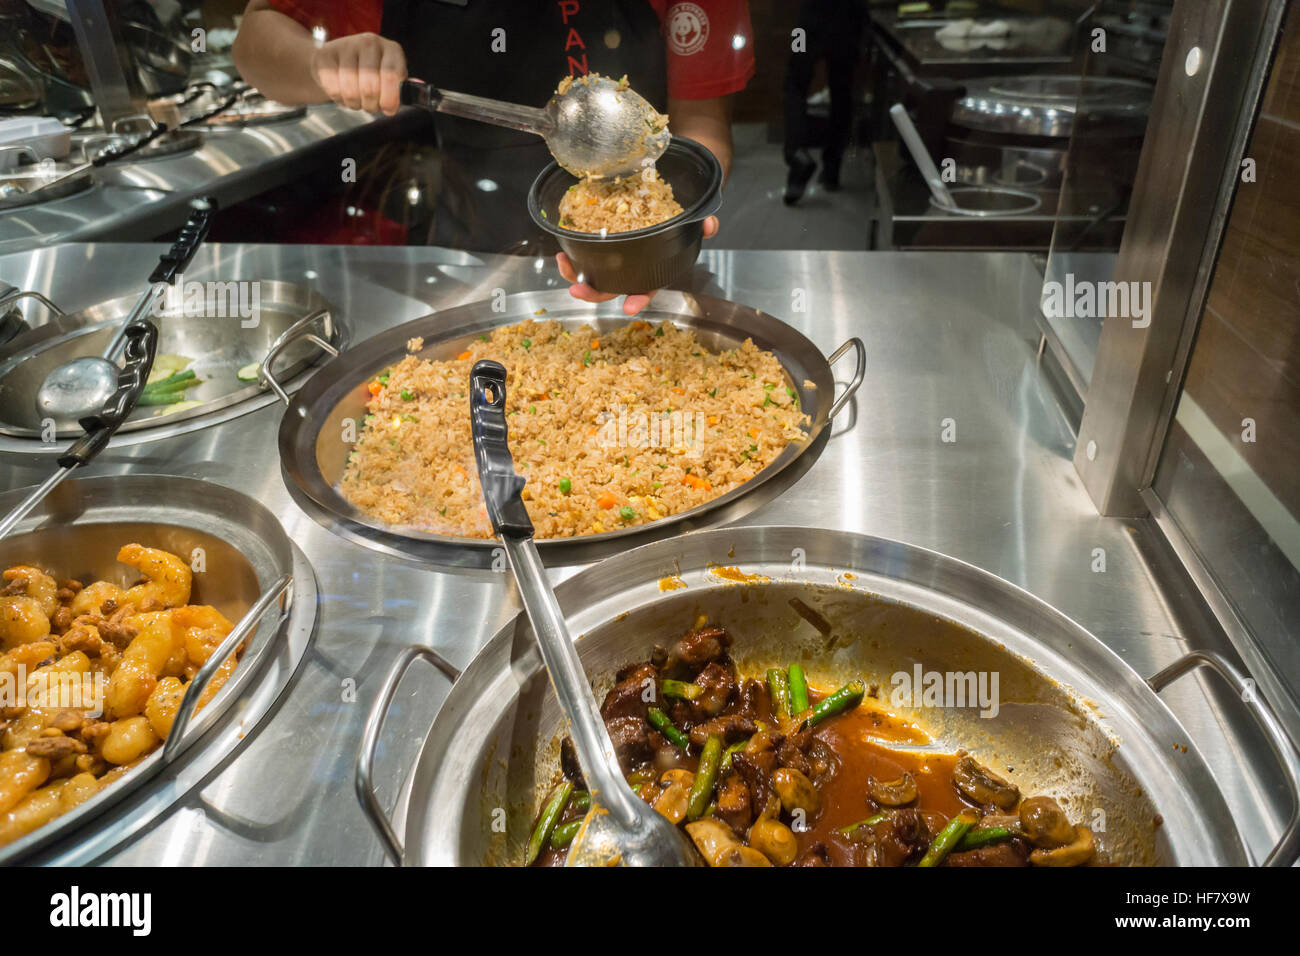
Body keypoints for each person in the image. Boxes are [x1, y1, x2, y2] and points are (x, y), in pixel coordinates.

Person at [233, 0, 754, 314]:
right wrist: (321, 63)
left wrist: (677, 217)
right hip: (467, 261)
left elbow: (702, 123)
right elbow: (257, 39)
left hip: (641, 260)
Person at [782, 0, 863, 205]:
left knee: (795, 85)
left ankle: (797, 154)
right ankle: (831, 171)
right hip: (849, 22)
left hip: (808, 22)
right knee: (842, 94)